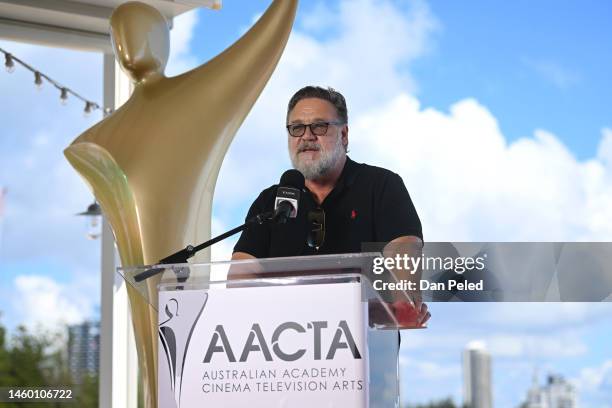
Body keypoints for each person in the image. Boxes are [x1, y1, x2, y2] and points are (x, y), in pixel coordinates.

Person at [232, 85, 429, 326]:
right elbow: (241, 272)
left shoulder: (381, 185)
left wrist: (402, 301)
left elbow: (403, 248)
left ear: (344, 135)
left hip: (364, 344)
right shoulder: (269, 202)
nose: (306, 136)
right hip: (279, 345)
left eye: (319, 126)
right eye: (297, 128)